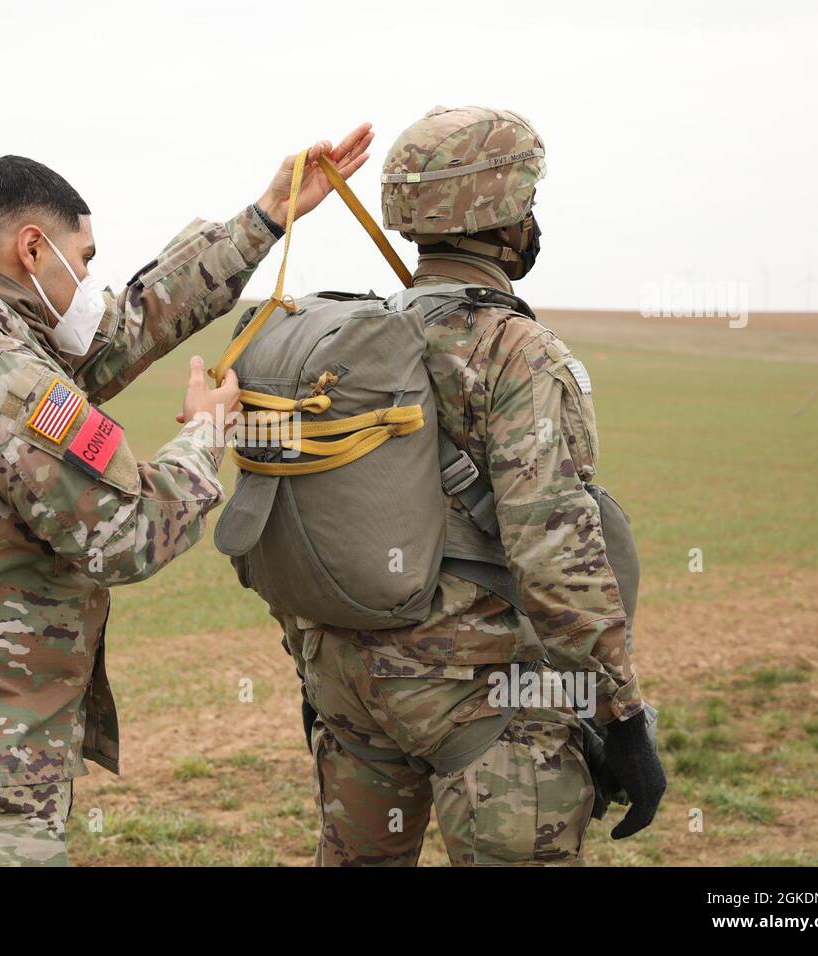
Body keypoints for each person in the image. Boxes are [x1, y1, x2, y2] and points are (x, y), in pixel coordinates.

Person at [0, 126, 374, 866]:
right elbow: (128, 533)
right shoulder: (0, 376)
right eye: (85, 258)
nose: (91, 282)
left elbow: (131, 326)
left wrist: (264, 219)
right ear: (32, 249)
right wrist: (206, 435)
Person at [278, 106, 665, 865]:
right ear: (502, 216)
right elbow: (553, 547)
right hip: (481, 697)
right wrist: (621, 717)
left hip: (348, 681)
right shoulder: (517, 350)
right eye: (525, 203)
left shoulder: (353, 335)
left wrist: (320, 671)